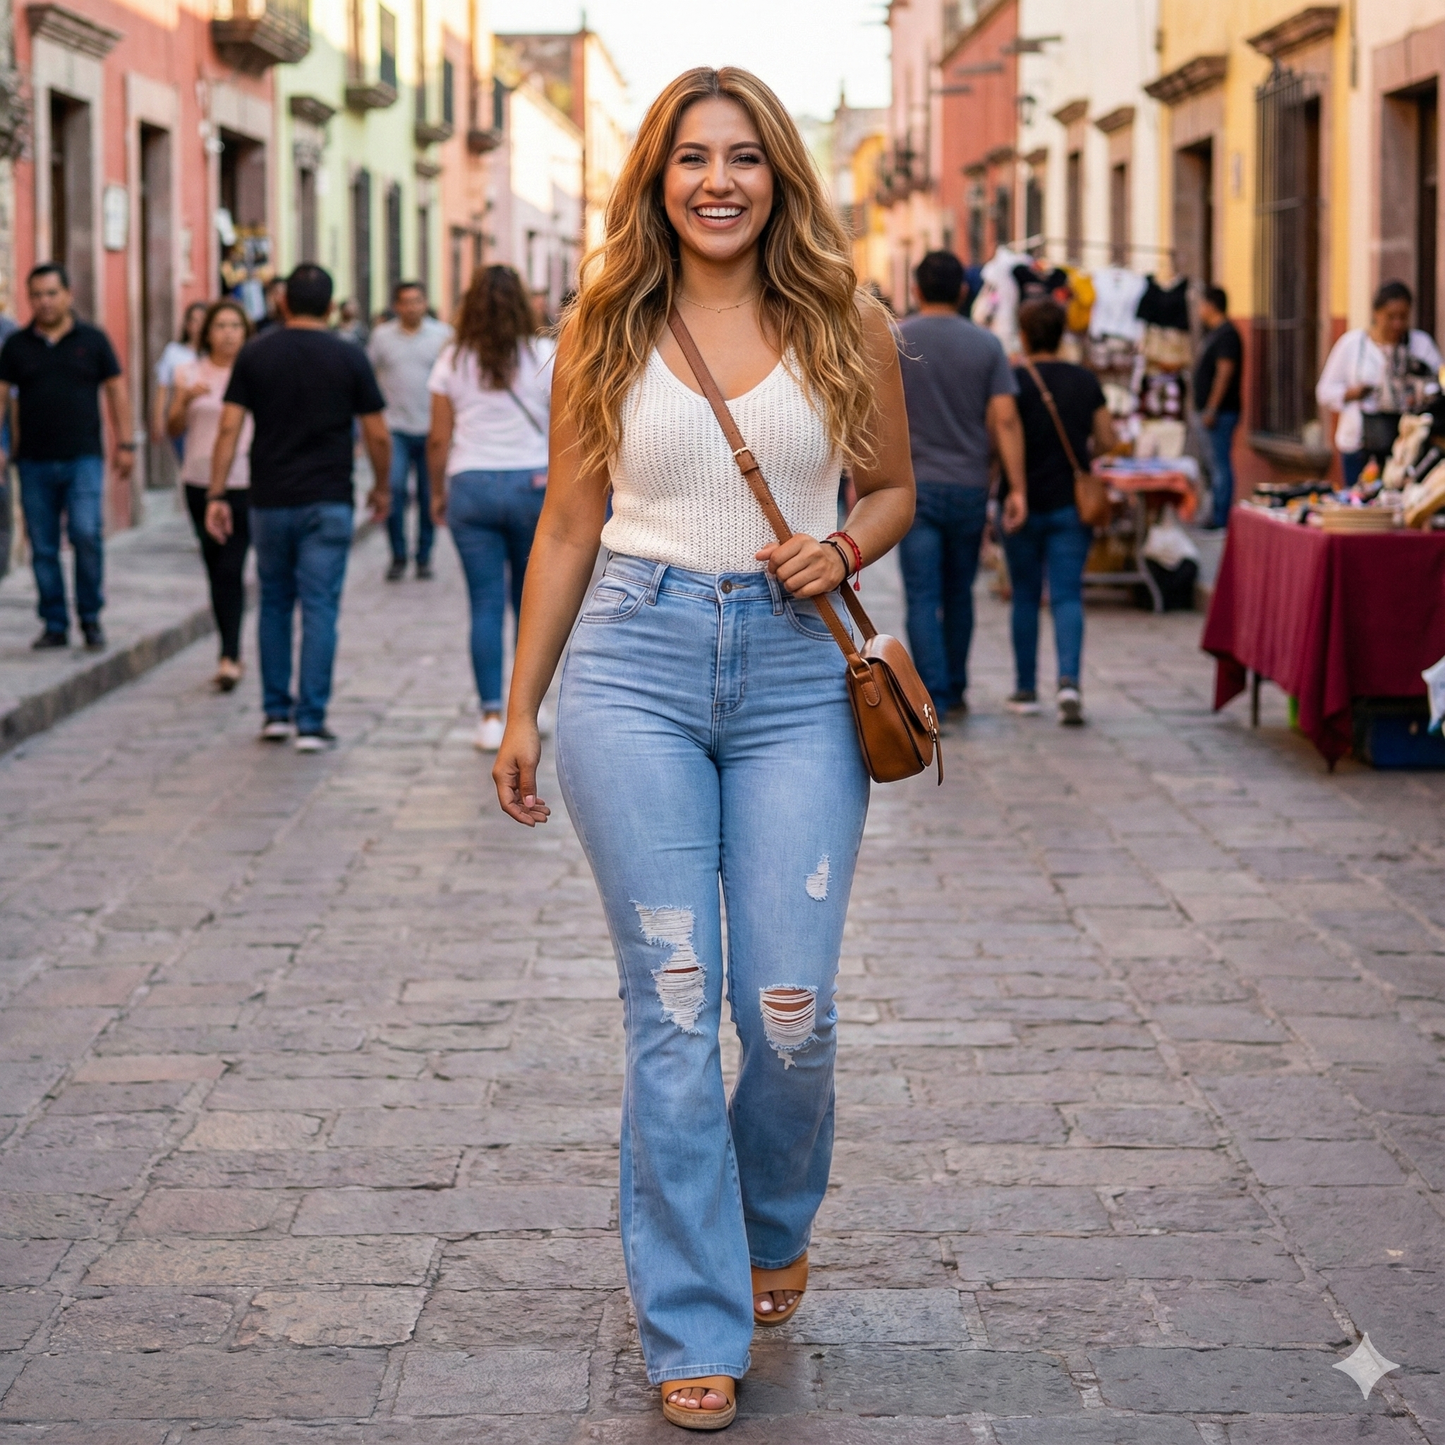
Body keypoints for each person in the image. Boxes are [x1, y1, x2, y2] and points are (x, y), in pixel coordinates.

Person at [490, 67, 914, 1429]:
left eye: (742, 156)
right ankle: (693, 1311)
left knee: (787, 1013)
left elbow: (896, 485)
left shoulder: (847, 319)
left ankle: (768, 1210)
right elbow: (566, 521)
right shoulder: (603, 323)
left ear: (779, 174)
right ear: (656, 179)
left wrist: (839, 543)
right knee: (674, 1004)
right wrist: (520, 706)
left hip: (798, 678)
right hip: (634, 666)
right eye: (690, 158)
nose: (717, 180)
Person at [206, 264, 391, 751]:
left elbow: (228, 428)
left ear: (283, 302)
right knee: (320, 608)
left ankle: (275, 713)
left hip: (269, 500)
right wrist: (383, 487)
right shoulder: (349, 356)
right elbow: (376, 432)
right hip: (327, 499)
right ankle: (311, 720)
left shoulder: (255, 353)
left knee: (273, 603)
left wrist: (217, 492)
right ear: (331, 307)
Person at [426, 265, 554, 752]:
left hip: (471, 484)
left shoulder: (453, 359)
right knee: (531, 606)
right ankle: (531, 709)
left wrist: (438, 492)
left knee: (483, 603)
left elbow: (439, 438)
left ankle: (489, 716)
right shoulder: (545, 354)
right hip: (532, 484)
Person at [895, 250, 1026, 722]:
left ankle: (931, 694)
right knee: (958, 593)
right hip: (970, 486)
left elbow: (872, 417)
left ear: (916, 290)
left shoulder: (896, 340)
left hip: (913, 490)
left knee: (922, 595)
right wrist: (1015, 488)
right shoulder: (987, 345)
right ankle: (956, 687)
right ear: (965, 291)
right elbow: (1005, 420)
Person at [0, 263, 135, 651]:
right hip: (33, 460)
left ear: (68, 294)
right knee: (42, 545)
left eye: (51, 293)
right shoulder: (17, 346)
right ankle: (54, 622)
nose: (44, 302)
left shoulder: (91, 340)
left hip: (83, 459)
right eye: (37, 295)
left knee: (86, 533)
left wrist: (126, 444)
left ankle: (90, 617)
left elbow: (116, 391)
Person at [1004, 298, 1115, 726]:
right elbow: (1106, 439)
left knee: (1025, 597)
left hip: (1022, 502)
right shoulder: (1085, 381)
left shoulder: (1012, 381)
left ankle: (1026, 687)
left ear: (1026, 335)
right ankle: (1069, 683)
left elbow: (1000, 435)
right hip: (1071, 504)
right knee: (1068, 595)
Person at [169, 300, 255, 692]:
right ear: (207, 333)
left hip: (245, 481)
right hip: (199, 481)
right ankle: (229, 647)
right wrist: (184, 400)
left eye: (235, 325)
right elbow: (169, 429)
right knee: (214, 563)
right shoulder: (188, 372)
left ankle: (230, 654)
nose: (228, 333)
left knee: (230, 566)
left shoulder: (256, 372)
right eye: (220, 325)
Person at [1317, 280, 1443, 487]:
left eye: (1403, 317)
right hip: (1360, 444)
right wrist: (1353, 393)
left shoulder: (1420, 344)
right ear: (1376, 313)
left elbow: (1439, 383)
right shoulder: (1352, 345)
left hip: (1405, 450)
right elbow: (1324, 392)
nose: (1397, 324)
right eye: (1390, 317)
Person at [368, 280, 453, 581]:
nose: (412, 306)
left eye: (417, 300)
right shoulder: (381, 337)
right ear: (396, 306)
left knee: (431, 493)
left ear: (424, 302)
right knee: (395, 490)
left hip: (432, 429)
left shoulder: (443, 335)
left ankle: (424, 555)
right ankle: (398, 554)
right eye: (405, 301)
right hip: (395, 429)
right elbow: (369, 375)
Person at [1194, 285, 1243, 528]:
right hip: (1214, 412)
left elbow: (1224, 372)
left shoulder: (1226, 335)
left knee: (1220, 465)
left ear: (1211, 305)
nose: (1199, 309)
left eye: (1201, 304)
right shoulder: (1215, 333)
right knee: (1215, 466)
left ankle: (1222, 518)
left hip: (1220, 414)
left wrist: (1212, 408)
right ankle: (1216, 513)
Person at [153, 301, 209, 463]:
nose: (198, 325)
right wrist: (158, 419)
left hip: (206, 419)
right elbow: (162, 387)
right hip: (182, 419)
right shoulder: (174, 352)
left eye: (203, 320)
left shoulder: (213, 355)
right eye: (194, 320)